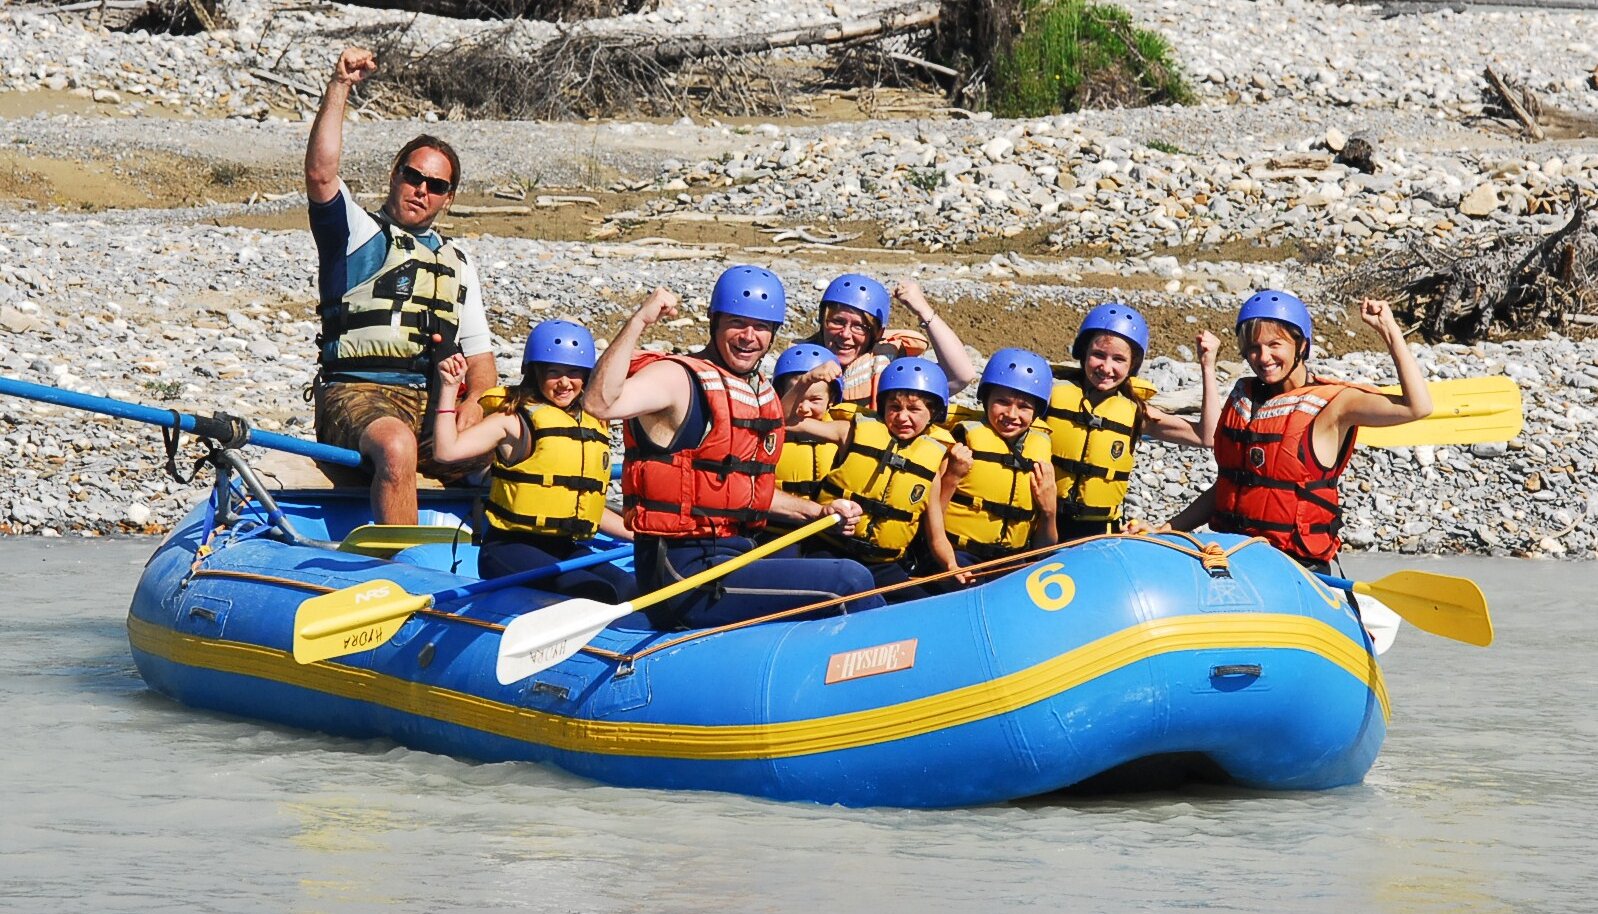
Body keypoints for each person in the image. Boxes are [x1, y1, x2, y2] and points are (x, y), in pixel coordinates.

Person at [583, 266, 880, 629]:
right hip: (683, 575)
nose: (748, 337)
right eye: (738, 322)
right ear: (715, 321)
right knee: (847, 581)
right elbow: (599, 403)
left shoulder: (755, 389)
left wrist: (818, 513)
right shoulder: (677, 379)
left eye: (761, 327)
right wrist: (640, 320)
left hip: (735, 556)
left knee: (850, 572)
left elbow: (743, 493)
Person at [304, 46, 497, 526]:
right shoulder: (357, 234)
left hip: (434, 404)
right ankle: (402, 574)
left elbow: (483, 369)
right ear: (395, 175)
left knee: (517, 443)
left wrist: (473, 407)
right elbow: (320, 174)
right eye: (413, 177)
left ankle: (514, 560)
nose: (420, 191)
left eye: (434, 186)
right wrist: (340, 86)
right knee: (396, 444)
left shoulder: (457, 263)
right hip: (356, 396)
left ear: (448, 199)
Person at [1141, 291, 1432, 573]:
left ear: (1301, 346)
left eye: (1275, 344)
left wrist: (1389, 330)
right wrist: (1164, 530)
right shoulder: (1245, 397)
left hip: (1296, 567)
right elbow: (1228, 487)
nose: (1263, 357)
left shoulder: (1334, 404)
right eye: (1254, 348)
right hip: (1232, 559)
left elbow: (1417, 407)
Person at [430, 320, 636, 602]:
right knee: (593, 591)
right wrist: (449, 388)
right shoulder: (513, 421)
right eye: (554, 372)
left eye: (574, 372)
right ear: (535, 373)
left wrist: (641, 535)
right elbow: (446, 451)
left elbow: (589, 509)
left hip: (564, 547)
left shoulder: (590, 423)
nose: (565, 382)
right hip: (508, 549)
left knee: (628, 588)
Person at [780, 357, 957, 602]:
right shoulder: (849, 432)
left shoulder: (931, 469)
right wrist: (807, 381)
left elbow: (937, 537)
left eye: (914, 410)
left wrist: (952, 566)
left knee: (923, 601)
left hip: (883, 566)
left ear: (933, 414)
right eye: (894, 407)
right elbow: (785, 422)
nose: (902, 417)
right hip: (829, 551)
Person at [1048, 303, 1220, 541]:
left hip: (1098, 534)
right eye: (1098, 354)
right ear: (1083, 353)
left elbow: (1208, 436)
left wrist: (1207, 365)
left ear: (1133, 365)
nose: (1106, 368)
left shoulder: (1136, 413)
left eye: (1118, 359)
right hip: (1043, 527)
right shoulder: (1050, 398)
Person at [938, 348, 1058, 583]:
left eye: (1024, 406)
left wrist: (1049, 510)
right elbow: (930, 516)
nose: (1011, 414)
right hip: (959, 556)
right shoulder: (963, 440)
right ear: (986, 399)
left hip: (1013, 561)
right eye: (1002, 402)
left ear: (1036, 412)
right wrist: (951, 476)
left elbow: (1044, 549)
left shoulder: (1041, 452)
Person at [803, 274, 976, 408]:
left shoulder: (890, 372)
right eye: (837, 322)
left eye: (859, 327)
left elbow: (961, 376)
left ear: (877, 334)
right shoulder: (800, 365)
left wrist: (923, 310)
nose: (845, 334)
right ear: (822, 322)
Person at [771, 343, 844, 502]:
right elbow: (780, 418)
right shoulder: (768, 427)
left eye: (815, 400)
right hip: (773, 524)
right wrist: (806, 380)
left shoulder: (841, 430)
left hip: (826, 523)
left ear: (831, 399)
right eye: (797, 397)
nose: (804, 408)